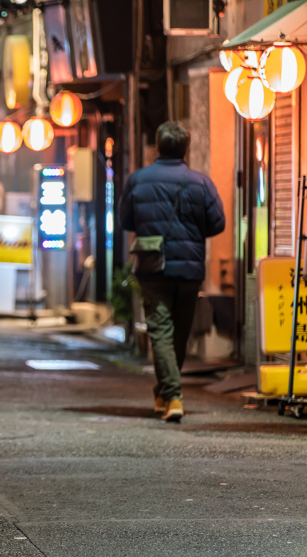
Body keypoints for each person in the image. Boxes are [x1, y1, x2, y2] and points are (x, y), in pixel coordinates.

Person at [120, 121, 225, 423]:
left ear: (157, 147)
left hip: (153, 267)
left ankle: (172, 395)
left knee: (161, 333)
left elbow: (126, 219)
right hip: (190, 267)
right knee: (179, 332)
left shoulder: (138, 180)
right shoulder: (200, 182)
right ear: (185, 149)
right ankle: (166, 393)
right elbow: (217, 223)